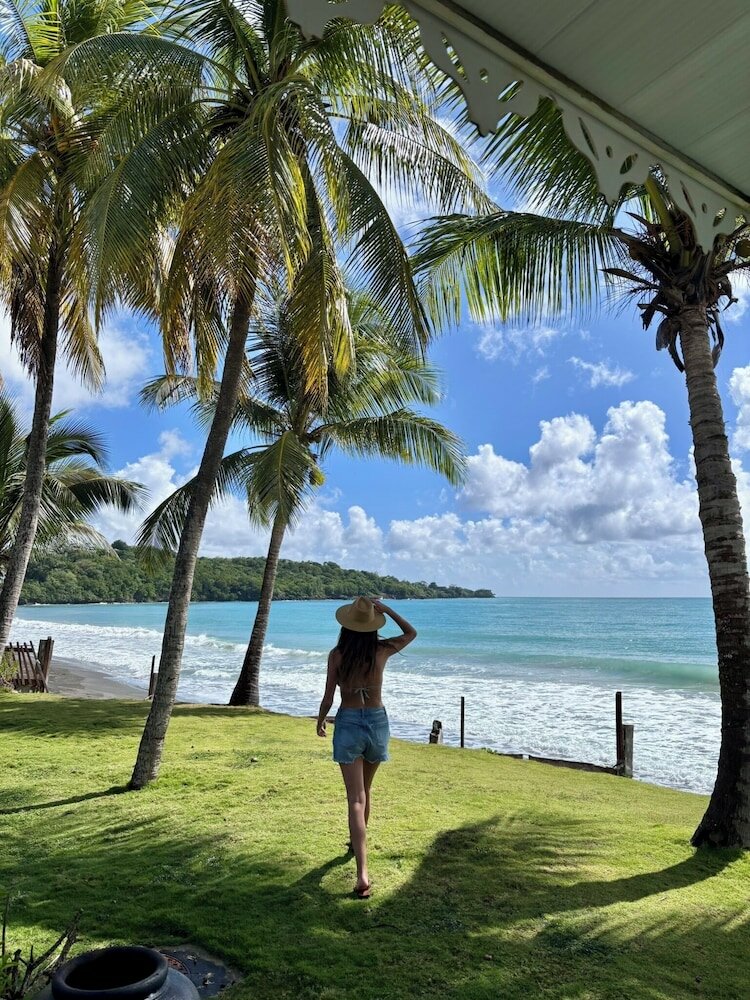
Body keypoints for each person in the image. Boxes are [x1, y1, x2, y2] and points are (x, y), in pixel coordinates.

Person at [316, 596, 417, 898]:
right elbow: (411, 633)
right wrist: (386, 610)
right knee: (366, 793)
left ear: (346, 626)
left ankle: (362, 873)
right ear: (373, 626)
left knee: (355, 799)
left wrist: (321, 721)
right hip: (376, 722)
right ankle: (357, 850)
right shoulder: (381, 650)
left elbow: (328, 696)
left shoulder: (337, 654)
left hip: (348, 722)